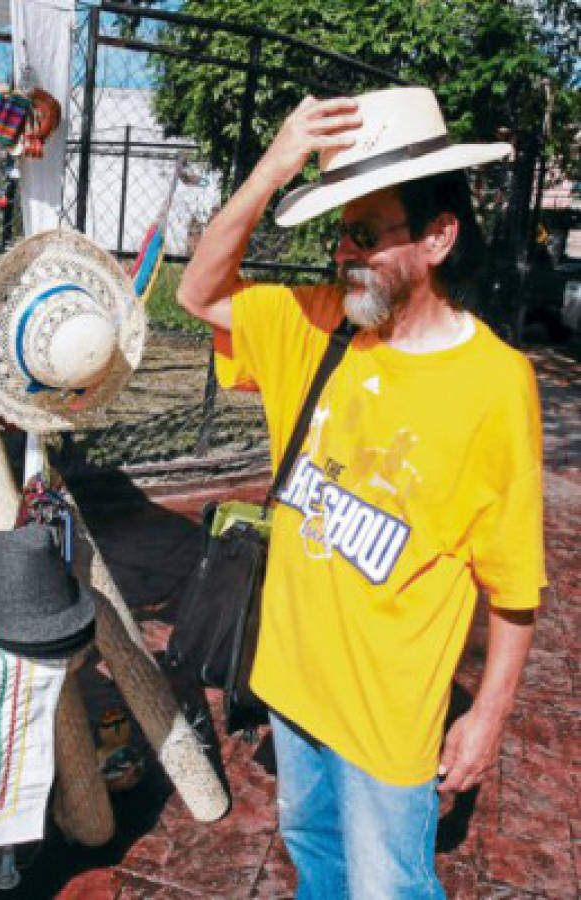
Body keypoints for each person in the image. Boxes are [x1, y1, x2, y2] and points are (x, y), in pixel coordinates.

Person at [177, 87, 545, 897]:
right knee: (314, 858)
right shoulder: (313, 323)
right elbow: (196, 294)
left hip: (389, 718)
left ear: (438, 236)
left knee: (386, 886)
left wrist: (484, 717)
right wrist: (275, 166)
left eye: (367, 234)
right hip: (290, 681)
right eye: (338, 231)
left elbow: (514, 584)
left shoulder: (493, 384)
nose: (344, 254)